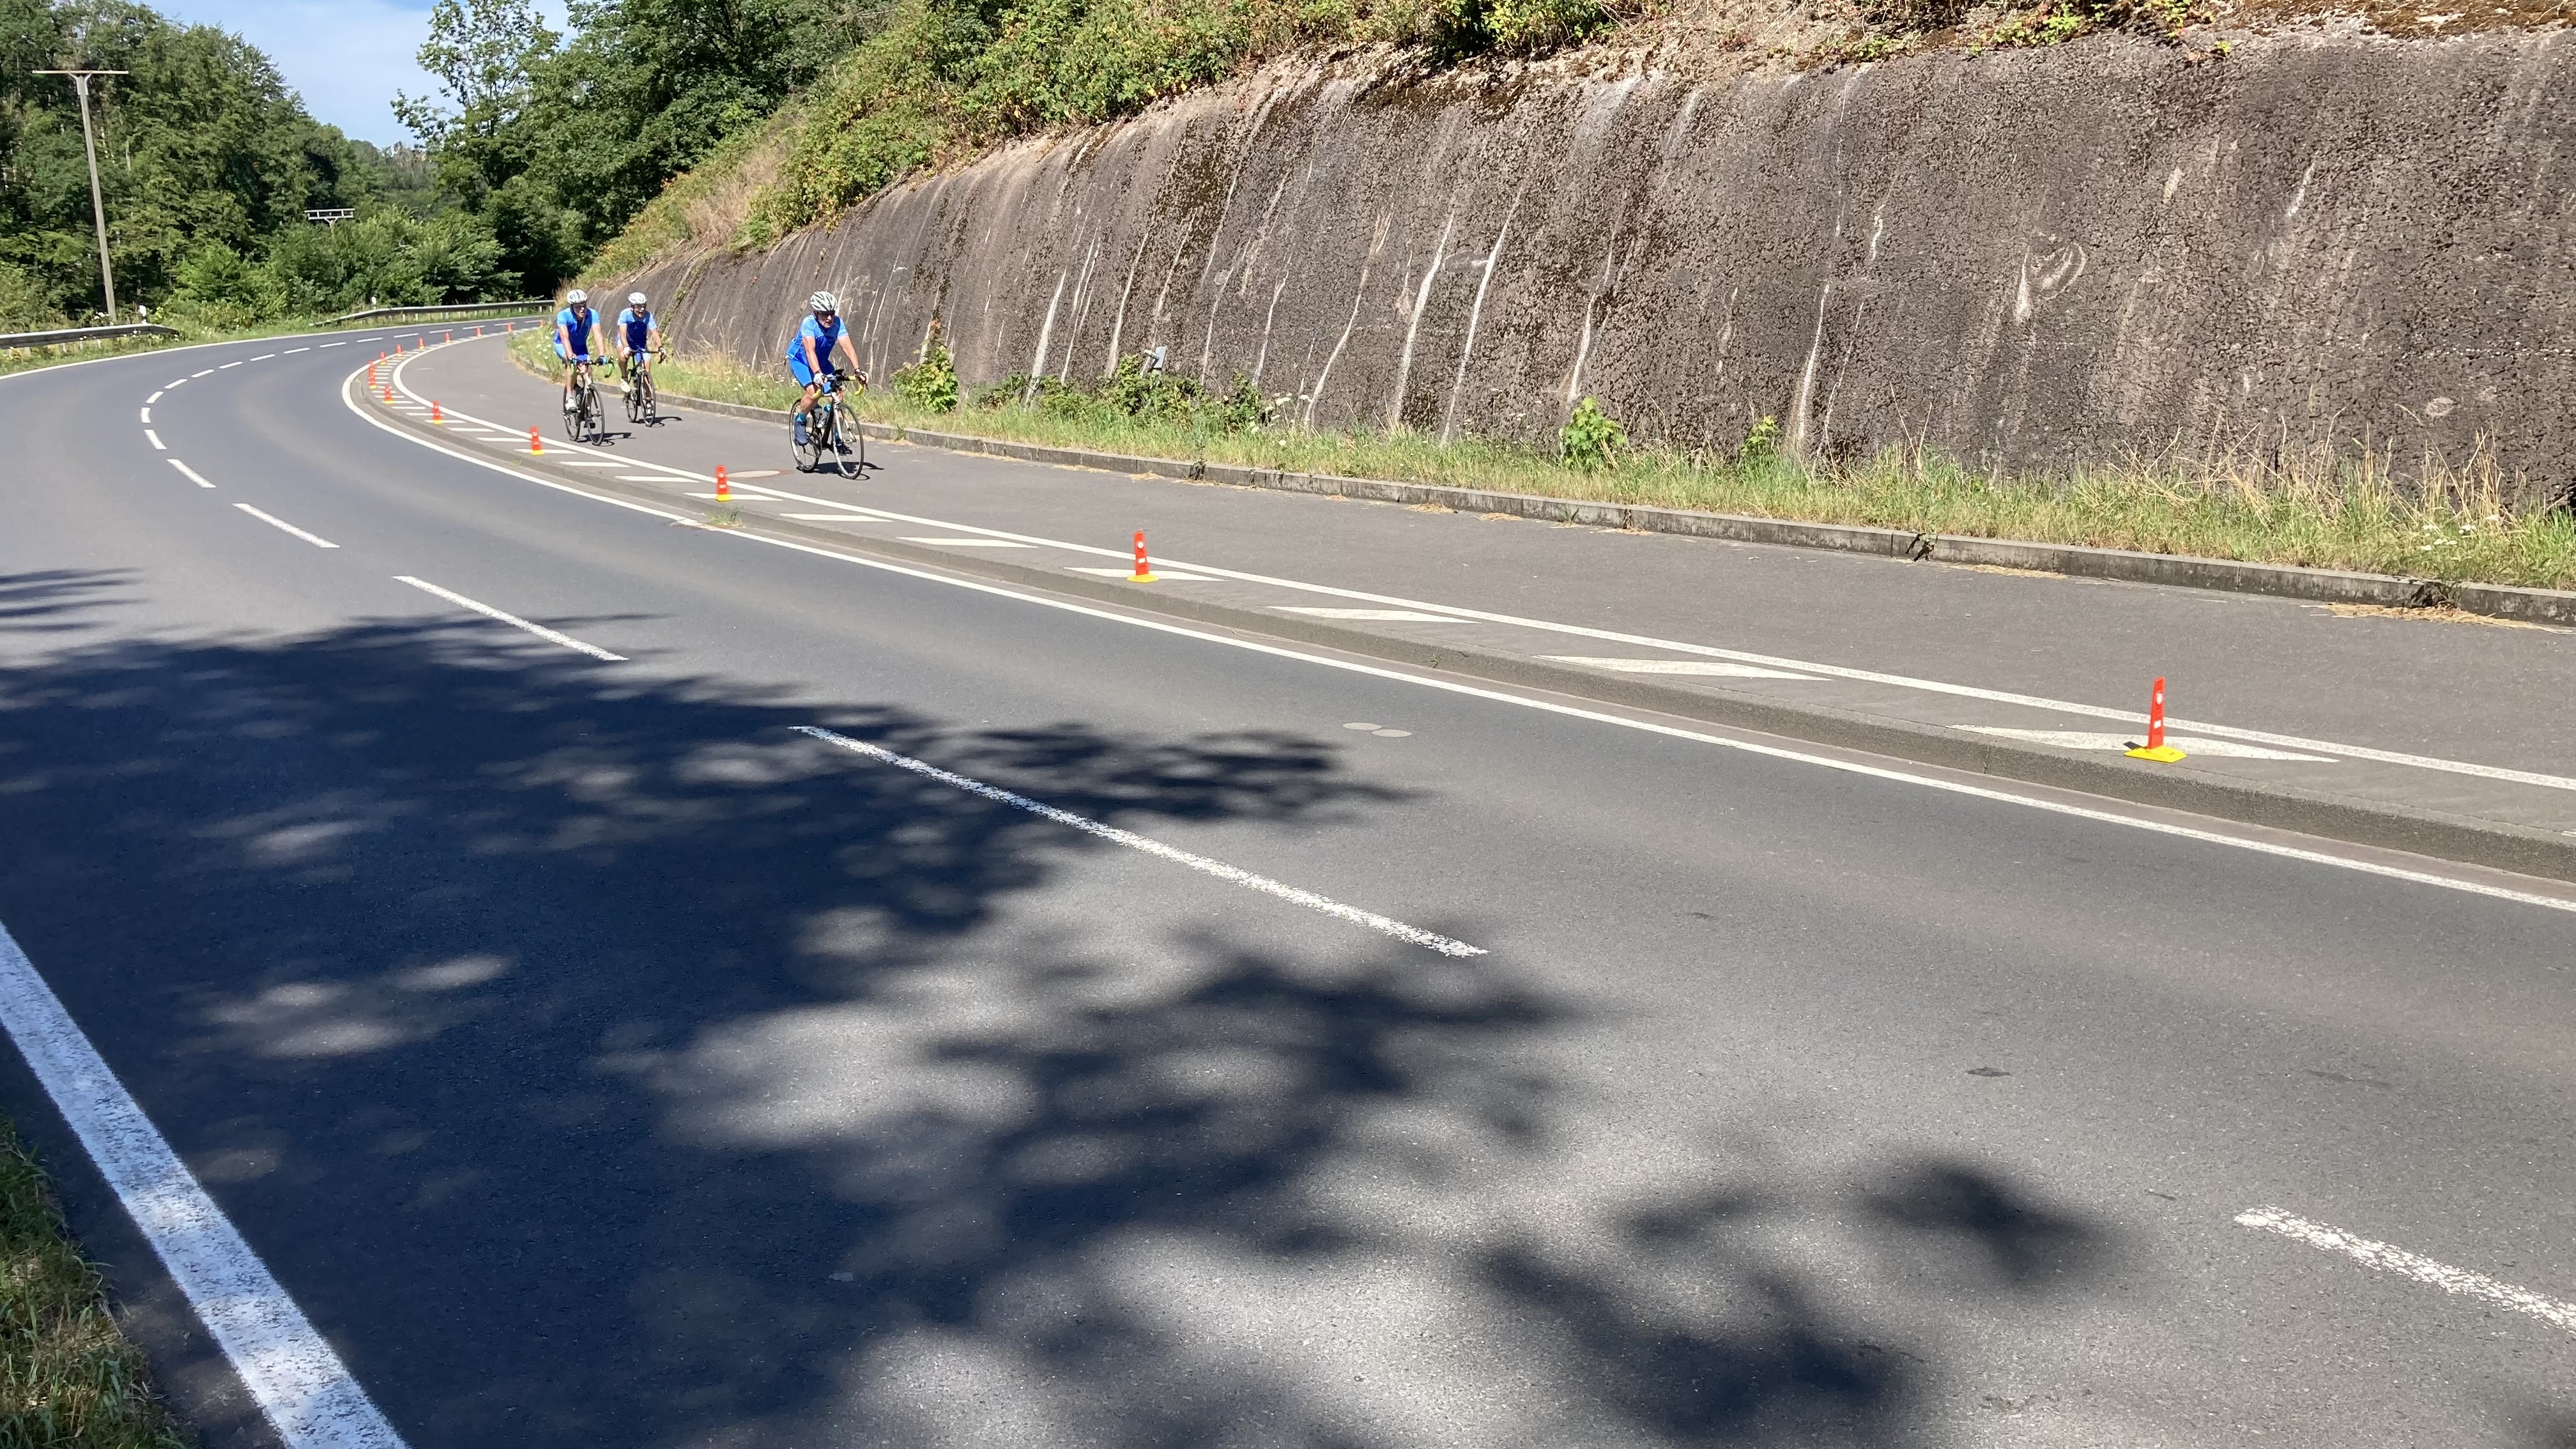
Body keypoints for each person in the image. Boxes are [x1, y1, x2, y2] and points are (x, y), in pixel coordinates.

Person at [787, 291, 865, 445]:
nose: (829, 318)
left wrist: (858, 371)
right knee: (814, 393)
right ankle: (801, 420)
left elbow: (848, 348)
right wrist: (817, 373)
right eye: (824, 314)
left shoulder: (838, 324)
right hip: (801, 361)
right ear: (815, 313)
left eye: (832, 313)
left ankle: (838, 440)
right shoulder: (809, 323)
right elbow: (810, 351)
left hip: (822, 362)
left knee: (838, 396)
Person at [554, 289, 601, 413]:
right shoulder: (563, 316)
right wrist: (571, 356)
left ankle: (588, 410)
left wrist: (602, 355)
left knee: (589, 376)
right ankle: (569, 396)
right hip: (563, 345)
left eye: (584, 305)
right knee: (571, 363)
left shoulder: (592, 314)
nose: (582, 309)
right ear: (571, 307)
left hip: (581, 347)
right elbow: (565, 338)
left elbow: (598, 335)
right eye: (578, 307)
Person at [615, 291, 659, 385]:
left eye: (644, 306)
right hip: (625, 341)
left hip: (640, 343)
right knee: (623, 357)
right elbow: (622, 334)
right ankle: (624, 377)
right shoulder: (625, 314)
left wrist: (661, 347)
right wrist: (626, 347)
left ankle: (647, 396)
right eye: (638, 306)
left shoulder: (648, 316)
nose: (642, 309)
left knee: (647, 372)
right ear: (632, 307)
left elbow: (655, 333)